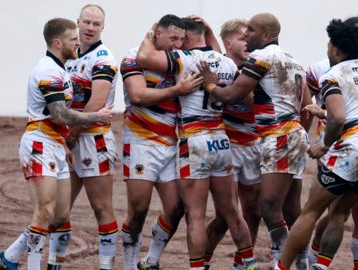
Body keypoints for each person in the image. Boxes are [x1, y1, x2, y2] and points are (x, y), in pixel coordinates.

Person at [136, 17, 260, 270]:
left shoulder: (183, 59)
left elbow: (144, 58)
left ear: (188, 39)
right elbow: (249, 100)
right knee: (231, 210)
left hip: (194, 141)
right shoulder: (226, 62)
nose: (179, 42)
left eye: (182, 38)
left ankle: (198, 268)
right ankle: (250, 264)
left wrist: (152, 31)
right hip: (221, 140)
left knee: (196, 215)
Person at [0, 18, 114, 270]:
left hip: (54, 144)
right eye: (73, 39)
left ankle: (10, 257)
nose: (78, 42)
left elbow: (56, 119)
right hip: (39, 145)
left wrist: (64, 144)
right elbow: (60, 114)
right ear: (58, 43)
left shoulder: (61, 69)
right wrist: (95, 116)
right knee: (44, 213)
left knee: (59, 216)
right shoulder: (48, 70)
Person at [275, 19, 358, 270]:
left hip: (353, 148)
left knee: (310, 212)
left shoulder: (332, 75)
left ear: (336, 49)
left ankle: (281, 268)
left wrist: (325, 146)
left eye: (329, 44)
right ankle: (322, 267)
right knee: (339, 212)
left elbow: (339, 117)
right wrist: (323, 112)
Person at [196, 13, 311, 268]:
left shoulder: (261, 57)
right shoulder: (294, 61)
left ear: (267, 35)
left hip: (274, 138)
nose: (247, 34)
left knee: (267, 209)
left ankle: (284, 264)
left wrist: (211, 86)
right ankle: (298, 264)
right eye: (243, 31)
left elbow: (232, 95)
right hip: (290, 136)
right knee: (286, 210)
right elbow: (307, 107)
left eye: (251, 29)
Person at [118, 14, 202, 270]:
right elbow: (138, 95)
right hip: (140, 143)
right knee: (138, 211)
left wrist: (206, 30)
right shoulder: (134, 57)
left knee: (176, 208)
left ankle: (151, 260)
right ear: (158, 35)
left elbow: (214, 57)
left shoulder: (178, 61)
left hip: (171, 145)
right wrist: (177, 90)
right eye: (173, 38)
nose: (177, 44)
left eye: (181, 39)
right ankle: (130, 265)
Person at [304, 16, 358, 270]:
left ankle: (327, 262)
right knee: (334, 210)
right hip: (333, 144)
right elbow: (307, 104)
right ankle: (316, 257)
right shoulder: (319, 69)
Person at [201, 18, 263, 270]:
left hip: (253, 145)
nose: (247, 43)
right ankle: (202, 261)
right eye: (242, 39)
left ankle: (240, 265)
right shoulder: (219, 66)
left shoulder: (257, 67)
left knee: (254, 214)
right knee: (225, 216)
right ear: (228, 43)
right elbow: (216, 52)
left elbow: (258, 105)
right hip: (227, 147)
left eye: (249, 38)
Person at [63, 5, 120, 269]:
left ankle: (106, 266)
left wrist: (71, 135)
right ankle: (54, 263)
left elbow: (96, 103)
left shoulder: (104, 58)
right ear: (78, 22)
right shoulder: (70, 56)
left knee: (101, 208)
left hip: (91, 139)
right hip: (70, 137)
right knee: (58, 209)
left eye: (96, 24)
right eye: (86, 22)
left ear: (102, 28)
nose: (90, 28)